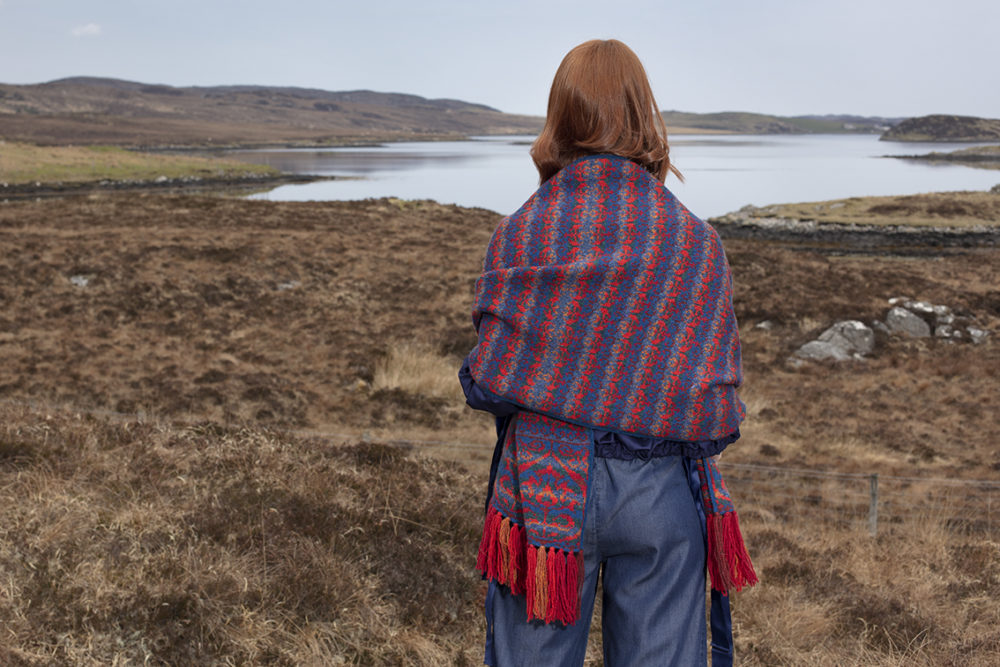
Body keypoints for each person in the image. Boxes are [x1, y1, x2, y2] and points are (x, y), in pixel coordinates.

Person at [460, 39, 756, 667]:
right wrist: (639, 407)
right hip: (662, 496)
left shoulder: (521, 231)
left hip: (543, 493)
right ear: (644, 115)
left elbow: (486, 380)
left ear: (559, 116)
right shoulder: (695, 242)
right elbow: (719, 411)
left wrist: (566, 394)